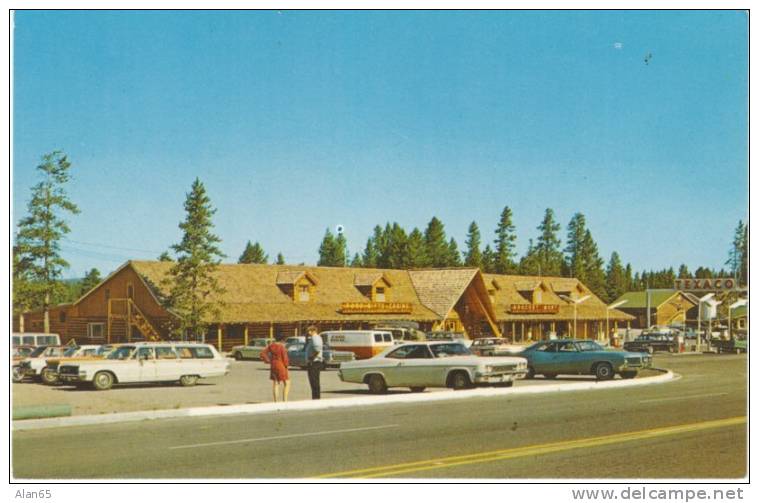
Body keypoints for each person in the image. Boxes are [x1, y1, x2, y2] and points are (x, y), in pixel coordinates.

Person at [260, 333, 290, 402]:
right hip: (281, 365)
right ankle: (285, 400)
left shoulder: (271, 346)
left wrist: (268, 360)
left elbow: (262, 353)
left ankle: (276, 401)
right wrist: (287, 366)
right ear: (282, 340)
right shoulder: (281, 347)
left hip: (273, 365)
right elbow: (285, 358)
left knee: (276, 383)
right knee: (287, 383)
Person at [303, 325, 323, 399]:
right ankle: (315, 397)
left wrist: (312, 357)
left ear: (313, 331)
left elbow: (317, 349)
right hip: (314, 362)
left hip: (314, 362)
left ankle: (316, 397)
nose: (308, 333)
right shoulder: (314, 338)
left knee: (314, 381)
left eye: (309, 331)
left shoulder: (315, 338)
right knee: (314, 381)